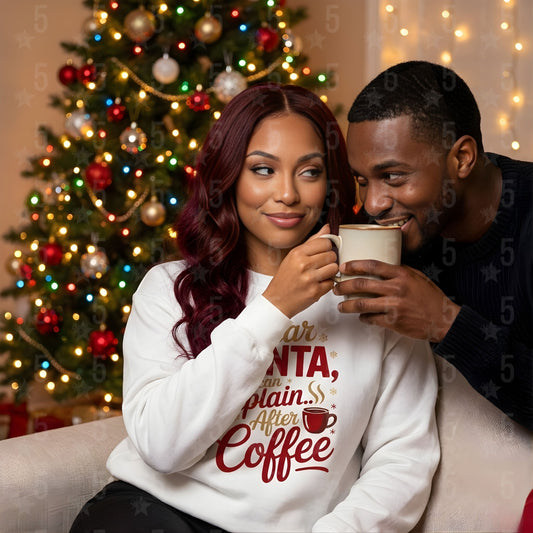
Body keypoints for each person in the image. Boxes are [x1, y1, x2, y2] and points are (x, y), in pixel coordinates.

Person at [69, 83, 439, 533]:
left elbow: (402, 460)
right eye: (263, 169)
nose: (287, 194)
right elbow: (161, 447)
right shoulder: (168, 288)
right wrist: (274, 308)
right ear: (228, 178)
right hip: (151, 513)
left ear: (331, 184)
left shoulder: (377, 290)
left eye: (309, 172)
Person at [335, 60, 533, 431]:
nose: (372, 204)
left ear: (462, 158)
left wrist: (445, 321)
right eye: (362, 180)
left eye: (392, 176)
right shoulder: (389, 226)